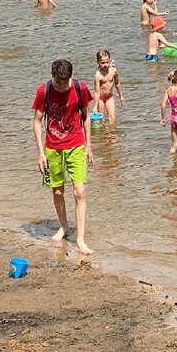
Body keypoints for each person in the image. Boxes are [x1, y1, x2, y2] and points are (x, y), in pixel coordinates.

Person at [32, 58, 94, 254]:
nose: (62, 86)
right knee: (57, 191)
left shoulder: (79, 88)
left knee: (79, 192)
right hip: (52, 147)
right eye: (58, 82)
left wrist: (89, 145)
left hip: (76, 144)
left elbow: (86, 116)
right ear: (52, 77)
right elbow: (37, 121)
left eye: (65, 82)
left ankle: (80, 240)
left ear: (71, 77)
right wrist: (40, 152)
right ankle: (64, 225)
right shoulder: (44, 91)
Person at [92, 49, 126, 125]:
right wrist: (95, 106)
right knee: (102, 121)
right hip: (100, 98)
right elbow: (97, 92)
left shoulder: (113, 71)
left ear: (110, 61)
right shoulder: (98, 75)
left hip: (109, 97)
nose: (105, 65)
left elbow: (117, 83)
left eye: (107, 62)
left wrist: (121, 96)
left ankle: (111, 136)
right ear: (98, 62)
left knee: (112, 119)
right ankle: (103, 136)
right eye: (102, 63)